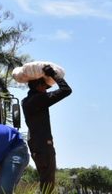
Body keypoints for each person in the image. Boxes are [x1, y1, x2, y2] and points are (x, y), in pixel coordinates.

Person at [22, 64, 72, 194]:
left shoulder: (26, 101)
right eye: (45, 86)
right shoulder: (39, 99)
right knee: (48, 183)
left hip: (35, 144)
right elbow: (66, 90)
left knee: (45, 180)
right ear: (39, 86)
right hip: (43, 145)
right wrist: (53, 75)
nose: (46, 89)